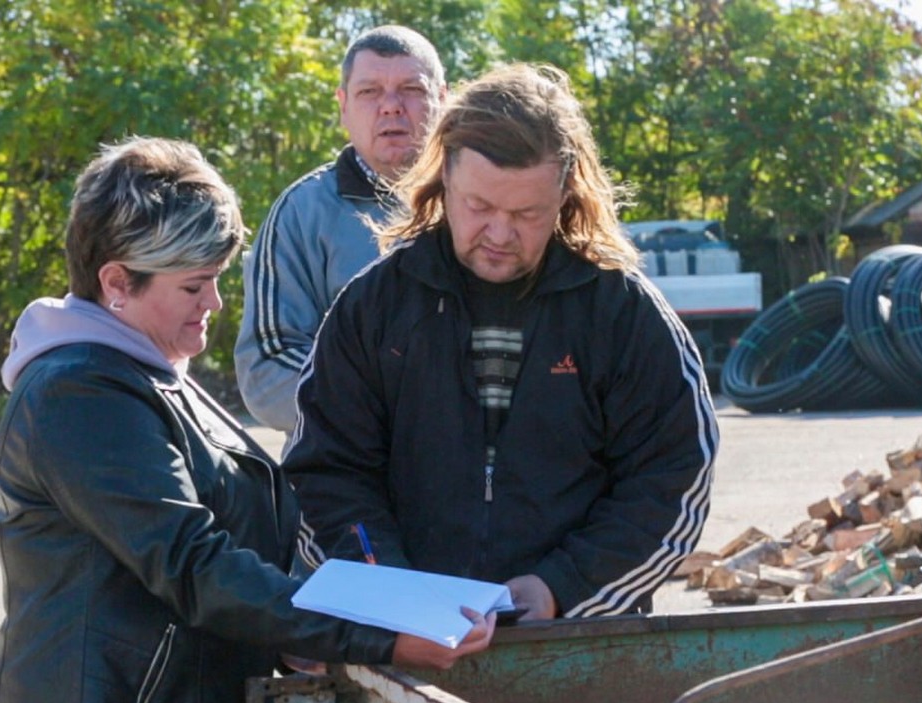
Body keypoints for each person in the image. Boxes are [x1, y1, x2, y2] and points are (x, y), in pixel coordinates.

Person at [0, 136, 493, 703]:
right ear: (116, 283)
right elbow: (193, 563)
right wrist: (375, 636)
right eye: (194, 285)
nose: (216, 304)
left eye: (218, 279)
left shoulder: (143, 372)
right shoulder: (82, 394)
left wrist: (296, 637)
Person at [283, 64, 719, 621]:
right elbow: (327, 473)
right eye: (479, 207)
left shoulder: (624, 314)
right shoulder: (373, 307)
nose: (498, 234)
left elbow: (673, 478)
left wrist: (563, 587)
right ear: (444, 181)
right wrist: (391, 593)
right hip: (404, 642)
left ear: (565, 194)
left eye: (526, 214)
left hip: (581, 650)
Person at [234, 25, 446, 435]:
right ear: (343, 106)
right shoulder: (300, 213)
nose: (391, 106)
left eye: (411, 89)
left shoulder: (487, 203)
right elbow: (268, 363)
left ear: (443, 99)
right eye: (370, 92)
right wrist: (383, 415)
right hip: (351, 481)